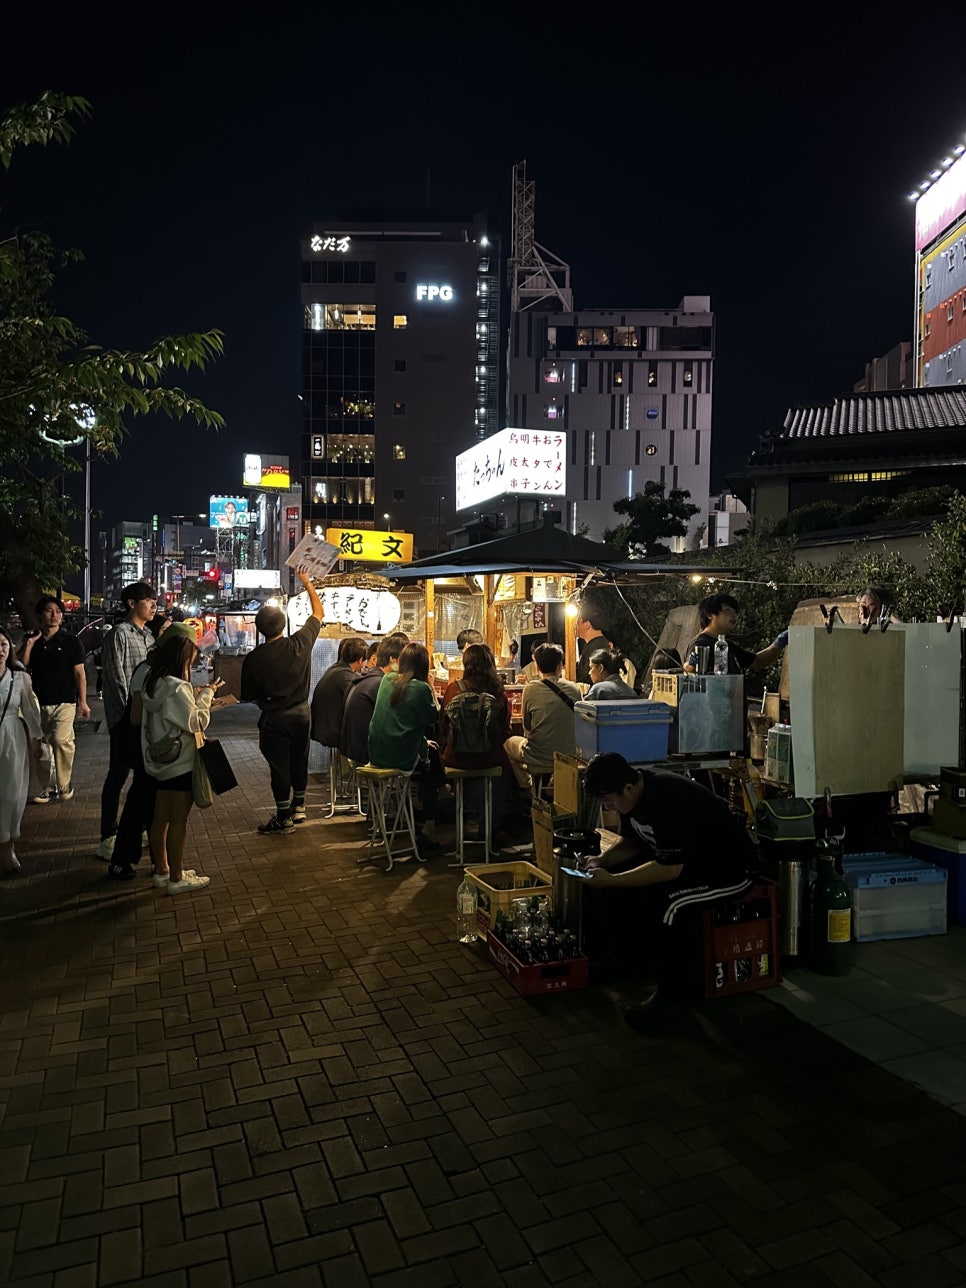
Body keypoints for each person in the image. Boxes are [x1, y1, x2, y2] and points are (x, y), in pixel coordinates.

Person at [582, 752, 756, 1023]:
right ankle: (625, 961)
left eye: (609, 800)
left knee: (670, 906)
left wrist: (612, 880)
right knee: (620, 880)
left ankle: (672, 999)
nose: (608, 807)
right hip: (688, 864)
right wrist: (601, 861)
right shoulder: (633, 797)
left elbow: (670, 868)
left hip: (727, 870)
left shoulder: (666, 798)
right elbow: (632, 843)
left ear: (627, 788)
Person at [109, 620, 198, 882]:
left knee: (154, 809)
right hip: (147, 748)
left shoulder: (155, 671)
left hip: (149, 747)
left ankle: (160, 866)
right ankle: (123, 859)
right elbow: (137, 717)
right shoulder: (152, 674)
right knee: (143, 804)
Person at [241, 568, 324, 833]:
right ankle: (299, 808)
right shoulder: (300, 643)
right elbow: (318, 613)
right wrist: (307, 583)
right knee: (300, 760)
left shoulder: (254, 659)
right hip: (302, 714)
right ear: (283, 623)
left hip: (275, 718)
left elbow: (249, 696)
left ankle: (283, 817)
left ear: (260, 629)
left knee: (280, 767)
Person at [139, 630, 217, 894]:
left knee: (160, 818)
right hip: (180, 762)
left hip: (160, 761)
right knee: (179, 821)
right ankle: (176, 878)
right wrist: (206, 696)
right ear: (182, 654)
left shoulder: (154, 682)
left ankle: (162, 871)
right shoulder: (176, 687)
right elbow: (196, 722)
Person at [97, 582, 158, 861]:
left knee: (143, 776)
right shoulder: (119, 634)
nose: (154, 605)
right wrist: (126, 718)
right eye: (148, 600)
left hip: (144, 719)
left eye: (155, 600)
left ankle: (139, 828)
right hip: (124, 720)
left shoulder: (148, 636)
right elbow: (115, 679)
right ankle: (108, 836)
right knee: (117, 776)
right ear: (132, 603)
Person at [368, 642, 444, 849]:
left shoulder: (387, 679)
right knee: (434, 763)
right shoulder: (419, 688)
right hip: (398, 757)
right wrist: (431, 688)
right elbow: (433, 717)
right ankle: (430, 824)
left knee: (430, 751)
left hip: (375, 753)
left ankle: (421, 810)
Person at [440, 643, 513, 846]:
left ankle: (465, 819)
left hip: (457, 760)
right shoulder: (498, 692)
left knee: (468, 775)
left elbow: (443, 727)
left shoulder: (453, 689)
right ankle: (492, 828)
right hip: (489, 760)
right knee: (505, 771)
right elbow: (505, 731)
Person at [18, 595, 90, 802]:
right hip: (37, 702)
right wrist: (30, 642)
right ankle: (47, 787)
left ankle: (65, 783)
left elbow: (80, 674)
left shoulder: (70, 642)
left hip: (65, 700)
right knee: (41, 746)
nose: (55, 615)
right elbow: (23, 665)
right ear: (41, 615)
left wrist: (82, 701)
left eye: (58, 611)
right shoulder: (33, 640)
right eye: (50, 611)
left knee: (60, 740)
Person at [504, 642, 581, 793]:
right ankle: (550, 785)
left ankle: (526, 788)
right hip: (570, 756)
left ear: (537, 667)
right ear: (560, 665)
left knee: (508, 744)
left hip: (538, 757)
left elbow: (527, 727)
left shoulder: (530, 689)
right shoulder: (574, 688)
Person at [0, 629, 45, 875]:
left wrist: (37, 742)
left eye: (4, 644)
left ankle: (8, 848)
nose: (0, 649)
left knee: (11, 795)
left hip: (11, 739)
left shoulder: (20, 678)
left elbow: (30, 711)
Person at [340, 634, 408, 765]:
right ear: (393, 660)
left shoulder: (365, 677)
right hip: (366, 752)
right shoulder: (381, 683)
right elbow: (397, 718)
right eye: (403, 661)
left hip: (352, 748)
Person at [683, 594, 787, 675]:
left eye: (735, 612)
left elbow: (758, 662)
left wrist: (778, 643)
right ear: (710, 615)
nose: (733, 616)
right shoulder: (701, 643)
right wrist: (690, 665)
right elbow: (688, 670)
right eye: (727, 610)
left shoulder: (728, 645)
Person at [310, 636, 368, 748]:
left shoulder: (336, 669)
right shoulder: (344, 675)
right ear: (360, 660)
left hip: (322, 728)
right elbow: (360, 698)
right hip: (331, 732)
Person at [575, 605, 611, 685]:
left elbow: (586, 678)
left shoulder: (597, 648)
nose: (575, 626)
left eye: (577, 622)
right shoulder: (597, 643)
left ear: (587, 624)